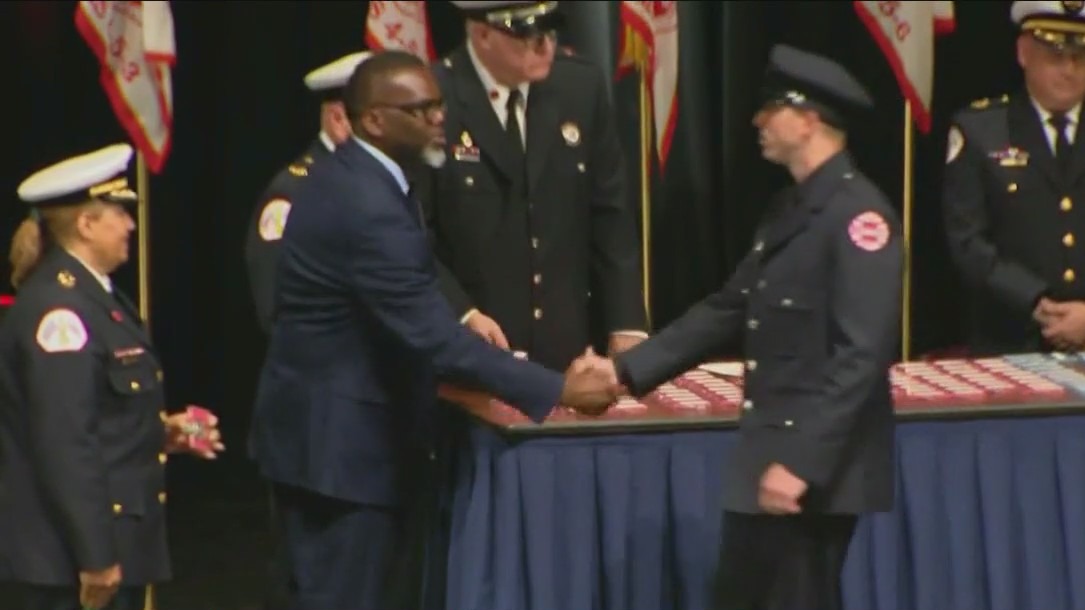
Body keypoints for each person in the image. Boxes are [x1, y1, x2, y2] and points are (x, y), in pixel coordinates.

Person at [248, 50, 619, 610]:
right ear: (374, 119)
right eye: (420, 109)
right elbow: (431, 335)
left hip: (330, 442)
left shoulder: (364, 177)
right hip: (340, 456)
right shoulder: (365, 203)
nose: (438, 118)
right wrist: (558, 389)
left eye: (439, 105)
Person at [587, 45, 902, 610]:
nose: (758, 120)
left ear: (808, 120)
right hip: (768, 457)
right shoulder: (789, 209)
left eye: (771, 108)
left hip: (812, 473)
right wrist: (625, 370)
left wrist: (802, 463)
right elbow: (730, 308)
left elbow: (861, 356)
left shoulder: (859, 217)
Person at [0, 143, 225, 610]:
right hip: (71, 562)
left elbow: (100, 412)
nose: (130, 226)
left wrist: (159, 432)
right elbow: (64, 441)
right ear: (86, 224)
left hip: (107, 545)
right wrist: (96, 557)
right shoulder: (61, 312)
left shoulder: (95, 296)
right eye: (119, 214)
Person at [414, 0, 648, 370]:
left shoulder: (579, 87)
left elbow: (610, 215)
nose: (545, 46)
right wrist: (461, 312)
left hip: (567, 351)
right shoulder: (430, 99)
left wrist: (626, 322)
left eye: (550, 30)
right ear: (482, 33)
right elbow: (412, 234)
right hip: (472, 347)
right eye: (527, 35)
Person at [242, 50, 372, 610]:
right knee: (317, 582)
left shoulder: (372, 184)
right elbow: (280, 311)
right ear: (341, 117)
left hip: (366, 424)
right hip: (317, 424)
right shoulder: (294, 194)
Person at [944, 1, 1085, 354]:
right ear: (1024, 53)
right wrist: (1035, 301)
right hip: (1010, 341)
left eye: (1080, 57)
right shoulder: (982, 130)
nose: (1069, 70)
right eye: (1056, 56)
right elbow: (967, 241)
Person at [245, 51, 372, 334]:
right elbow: (275, 297)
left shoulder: (381, 182)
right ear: (338, 119)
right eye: (374, 117)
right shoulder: (294, 191)